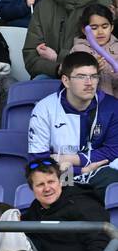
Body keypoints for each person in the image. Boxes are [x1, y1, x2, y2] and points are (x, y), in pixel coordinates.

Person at [27, 53, 118, 188]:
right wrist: (80, 170)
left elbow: (113, 151)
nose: (89, 83)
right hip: (63, 179)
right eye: (81, 77)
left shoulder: (112, 106)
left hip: (102, 175)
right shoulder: (44, 109)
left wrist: (69, 159)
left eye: (93, 76)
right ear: (66, 81)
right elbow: (39, 161)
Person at [25, 0, 107, 78]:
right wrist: (58, 68)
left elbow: (109, 52)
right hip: (52, 74)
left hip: (94, 78)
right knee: (39, 81)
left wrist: (60, 58)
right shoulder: (44, 6)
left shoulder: (104, 5)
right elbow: (30, 56)